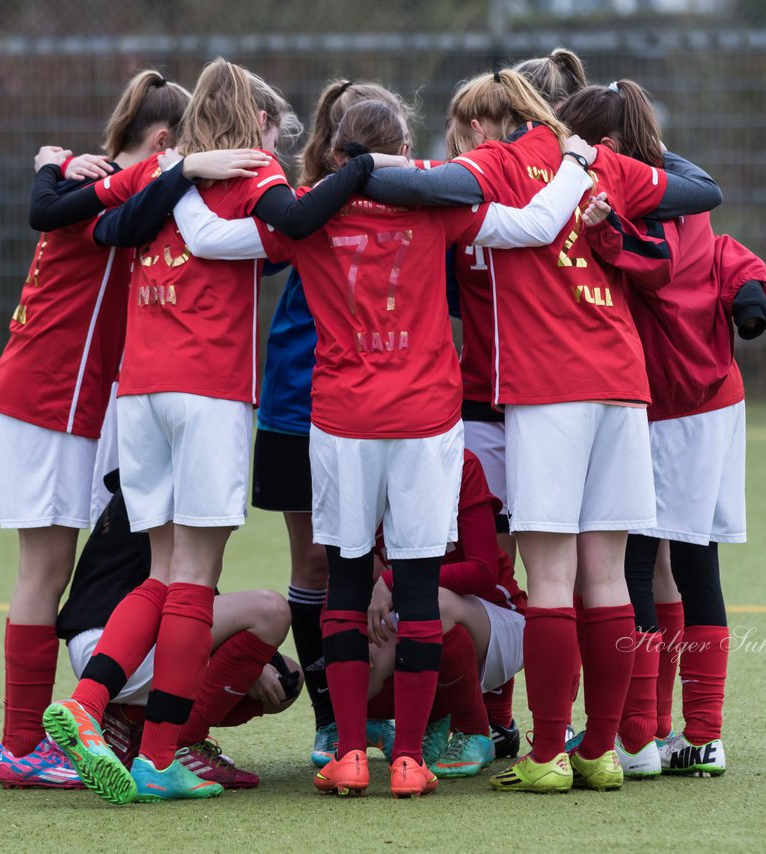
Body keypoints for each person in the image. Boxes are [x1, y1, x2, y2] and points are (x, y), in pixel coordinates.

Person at [172, 97, 598, 797]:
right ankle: (407, 759)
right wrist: (577, 164)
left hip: (340, 421)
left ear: (336, 155)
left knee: (341, 582)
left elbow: (209, 240)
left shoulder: (306, 211)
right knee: (420, 586)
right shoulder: (437, 204)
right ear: (405, 150)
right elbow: (537, 224)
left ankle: (345, 752)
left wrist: (177, 174)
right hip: (426, 422)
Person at [35, 58, 389, 805]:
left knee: (163, 572)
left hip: (141, 394)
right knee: (193, 578)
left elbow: (100, 223)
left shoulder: (162, 171)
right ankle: (159, 754)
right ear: (258, 121)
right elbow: (281, 231)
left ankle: (86, 704)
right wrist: (352, 181)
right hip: (207, 392)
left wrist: (70, 165)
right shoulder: (253, 173)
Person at [359, 69, 721, 793]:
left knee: (551, 576)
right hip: (623, 386)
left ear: (484, 126)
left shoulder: (494, 164)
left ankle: (550, 752)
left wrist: (355, 171)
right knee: (611, 573)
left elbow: (417, 190)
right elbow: (697, 189)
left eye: (465, 127)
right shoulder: (598, 160)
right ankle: (603, 750)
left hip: (549, 389)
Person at [557, 79, 766, 778]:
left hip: (658, 406)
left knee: (631, 564)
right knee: (693, 563)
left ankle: (638, 738)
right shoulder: (685, 198)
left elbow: (643, 266)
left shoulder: (631, 207)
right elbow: (722, 257)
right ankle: (702, 735)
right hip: (717, 401)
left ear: (611, 148)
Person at [0, 69, 190, 790]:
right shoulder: (112, 186)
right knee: (43, 569)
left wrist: (56, 164)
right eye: (180, 152)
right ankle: (19, 746)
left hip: (63, 400)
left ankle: (72, 726)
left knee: (61, 565)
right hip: (50, 399)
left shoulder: (87, 178)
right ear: (162, 143)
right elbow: (101, 212)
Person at [253, 79, 414, 768]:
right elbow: (268, 241)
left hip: (392, 402)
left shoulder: (420, 201)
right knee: (318, 559)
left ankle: (403, 716)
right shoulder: (308, 203)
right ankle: (330, 719)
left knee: (393, 557)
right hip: (301, 399)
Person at [55, 470, 303, 789]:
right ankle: (176, 748)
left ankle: (125, 724)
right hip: (117, 649)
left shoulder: (148, 483)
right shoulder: (172, 492)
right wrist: (251, 665)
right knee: (270, 610)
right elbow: (184, 594)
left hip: (105, 652)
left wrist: (256, 661)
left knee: (286, 678)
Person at [363, 449, 528, 780]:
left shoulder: (460, 462)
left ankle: (474, 731)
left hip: (497, 622)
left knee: (432, 603)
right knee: (352, 657)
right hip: (417, 617)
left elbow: (483, 573)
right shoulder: (367, 469)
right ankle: (430, 719)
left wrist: (393, 579)